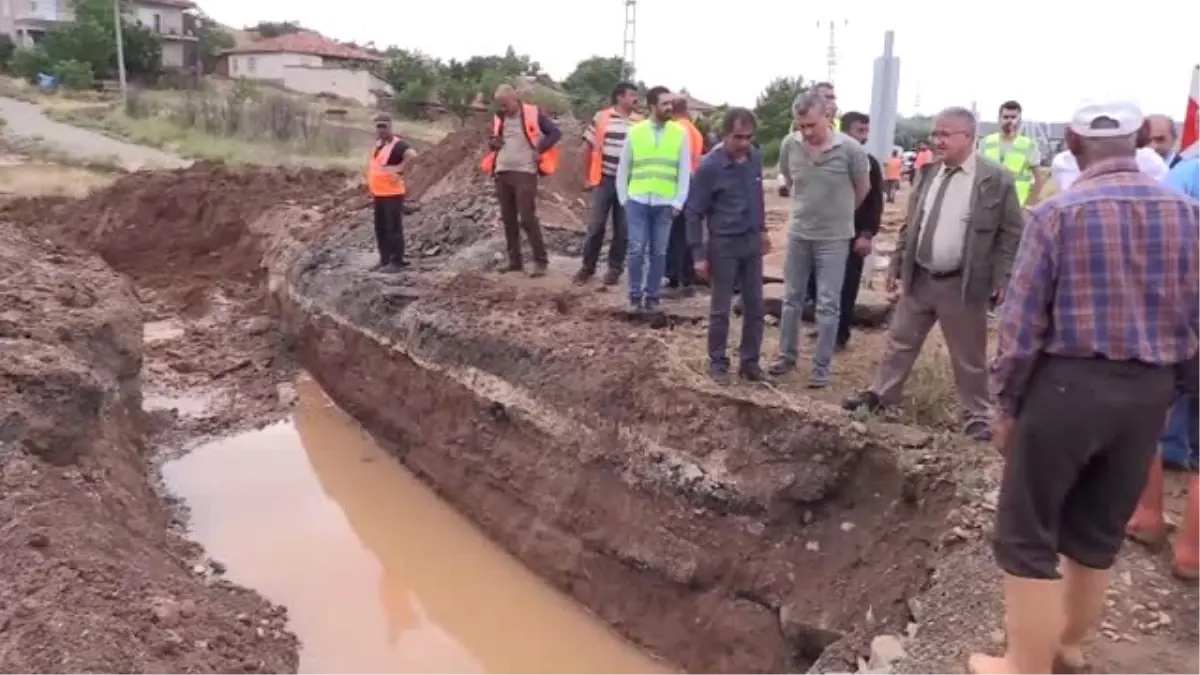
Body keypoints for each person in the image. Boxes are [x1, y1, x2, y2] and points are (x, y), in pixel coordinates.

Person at [973, 101, 1200, 675]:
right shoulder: (1189, 215)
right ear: (1141, 142)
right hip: (1148, 394)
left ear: (1072, 144)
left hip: (1067, 389)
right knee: (1097, 529)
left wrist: (1007, 406)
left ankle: (1023, 665)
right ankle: (1068, 647)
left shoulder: (1056, 215)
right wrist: (1176, 384)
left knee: (1028, 531)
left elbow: (1022, 328)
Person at [842, 107, 1022, 442]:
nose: (937, 141)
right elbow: (912, 224)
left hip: (963, 282)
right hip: (921, 276)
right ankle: (881, 396)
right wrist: (897, 263)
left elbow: (1011, 233)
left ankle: (977, 414)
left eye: (945, 134)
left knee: (968, 355)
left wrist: (1003, 276)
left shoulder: (994, 179)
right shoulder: (927, 173)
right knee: (899, 342)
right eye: (935, 134)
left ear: (968, 137)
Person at [1124, 148, 1200, 583]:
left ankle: (1148, 516)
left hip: (1174, 320)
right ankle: (1191, 553)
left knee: (1149, 422)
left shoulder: (1185, 174)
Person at [769, 93, 870, 387]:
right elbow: (789, 180)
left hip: (834, 239)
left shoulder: (850, 150)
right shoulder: (791, 146)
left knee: (828, 303)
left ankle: (821, 368)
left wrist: (839, 215)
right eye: (801, 126)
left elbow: (862, 188)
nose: (807, 132)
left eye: (812, 125)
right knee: (791, 299)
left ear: (827, 116)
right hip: (799, 233)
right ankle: (786, 357)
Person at [685, 108, 771, 384]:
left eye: (748, 137)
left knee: (755, 306)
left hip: (750, 243)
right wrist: (698, 254)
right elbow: (693, 212)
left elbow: (757, 196)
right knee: (721, 307)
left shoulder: (754, 159)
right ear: (724, 134)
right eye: (738, 137)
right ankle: (718, 362)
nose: (744, 143)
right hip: (723, 245)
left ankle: (750, 363)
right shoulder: (710, 167)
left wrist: (763, 230)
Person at [802, 111, 883, 351]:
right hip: (823, 233)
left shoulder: (869, 164)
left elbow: (874, 202)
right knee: (816, 284)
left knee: (846, 286)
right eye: (860, 131)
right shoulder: (827, 159)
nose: (864, 136)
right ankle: (825, 326)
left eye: (867, 131)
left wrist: (867, 234)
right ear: (844, 132)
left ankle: (840, 335)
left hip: (852, 235)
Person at [616, 85, 691, 315]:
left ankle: (653, 297)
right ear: (652, 106)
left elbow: (684, 171)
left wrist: (679, 202)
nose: (669, 107)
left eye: (671, 103)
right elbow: (624, 168)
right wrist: (623, 199)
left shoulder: (680, 134)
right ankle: (635, 296)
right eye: (664, 104)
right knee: (636, 249)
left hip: (665, 203)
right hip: (637, 200)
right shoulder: (635, 132)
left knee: (659, 252)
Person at [480, 84, 563, 277]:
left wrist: (539, 149)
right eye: (499, 105)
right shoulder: (499, 117)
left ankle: (540, 261)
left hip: (525, 171)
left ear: (515, 99)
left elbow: (555, 133)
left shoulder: (533, 113)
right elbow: (493, 142)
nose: (502, 108)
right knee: (508, 219)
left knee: (526, 217)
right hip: (502, 171)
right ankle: (515, 262)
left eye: (505, 104)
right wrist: (493, 143)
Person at [575, 82, 640, 286]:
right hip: (603, 179)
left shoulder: (639, 122)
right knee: (596, 226)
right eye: (631, 95)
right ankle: (587, 267)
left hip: (629, 183)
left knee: (623, 229)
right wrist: (586, 177)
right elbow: (588, 147)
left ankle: (614, 269)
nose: (635, 99)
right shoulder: (602, 117)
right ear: (620, 97)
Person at [664, 94, 706, 297]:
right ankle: (685, 276)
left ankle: (677, 277)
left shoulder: (675, 130)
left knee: (676, 233)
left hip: (678, 184)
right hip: (693, 184)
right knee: (687, 231)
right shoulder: (694, 131)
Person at [366, 113, 417, 272]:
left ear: (390, 127)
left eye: (384, 126)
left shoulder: (398, 144)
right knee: (380, 228)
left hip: (393, 194)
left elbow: (412, 156)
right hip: (379, 194)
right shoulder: (379, 145)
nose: (381, 129)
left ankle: (396, 261)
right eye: (378, 126)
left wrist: (399, 170)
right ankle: (385, 259)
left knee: (393, 228)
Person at [978, 100, 1043, 206]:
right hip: (989, 206)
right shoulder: (986, 142)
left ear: (1019, 119)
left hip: (1017, 205)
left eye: (1013, 117)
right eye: (1006, 117)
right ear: (999, 119)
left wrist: (1028, 206)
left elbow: (1039, 180)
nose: (1009, 121)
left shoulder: (1029, 145)